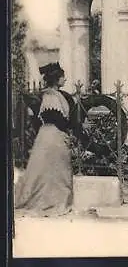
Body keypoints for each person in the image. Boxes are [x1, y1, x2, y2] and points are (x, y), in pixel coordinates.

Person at [15, 62, 79, 216]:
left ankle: (57, 200)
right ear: (57, 79)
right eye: (63, 77)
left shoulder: (58, 95)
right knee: (52, 170)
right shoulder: (50, 96)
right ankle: (51, 201)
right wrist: (67, 127)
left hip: (54, 135)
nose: (65, 79)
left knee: (57, 169)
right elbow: (52, 117)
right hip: (51, 136)